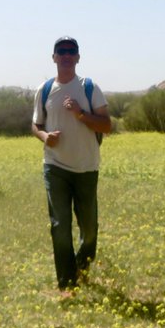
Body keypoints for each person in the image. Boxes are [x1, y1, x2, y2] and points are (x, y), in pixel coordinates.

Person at [31, 36, 112, 293]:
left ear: (78, 57)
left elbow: (106, 125)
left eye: (71, 51)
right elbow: (36, 124)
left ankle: (81, 266)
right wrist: (45, 137)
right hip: (55, 167)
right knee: (60, 226)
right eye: (61, 51)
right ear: (53, 57)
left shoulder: (90, 88)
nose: (66, 55)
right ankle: (66, 284)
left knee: (89, 230)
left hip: (86, 167)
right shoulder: (44, 90)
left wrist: (79, 114)